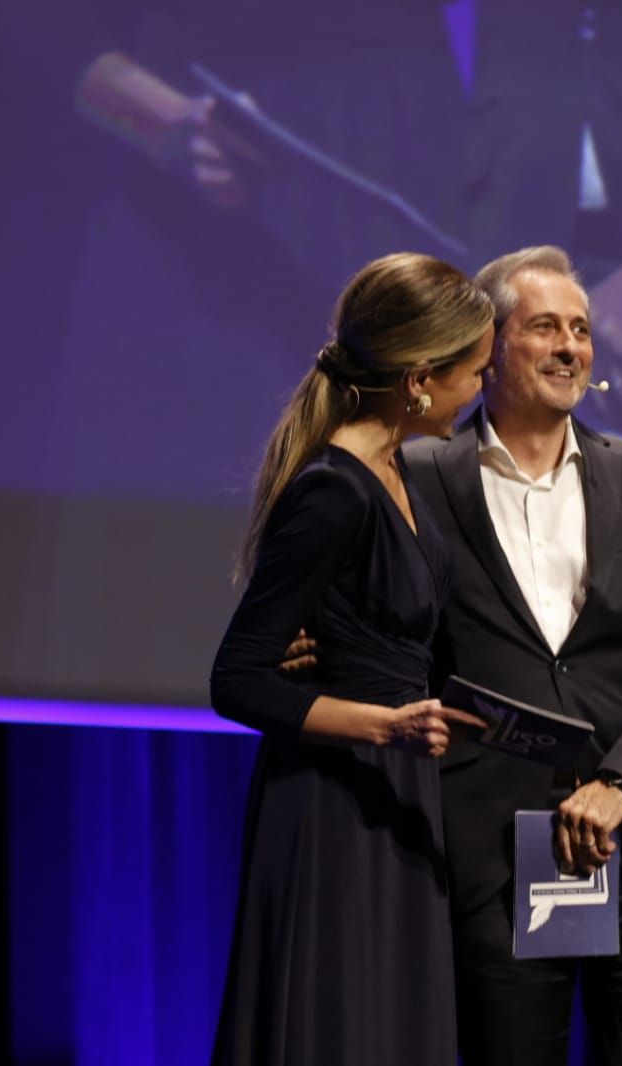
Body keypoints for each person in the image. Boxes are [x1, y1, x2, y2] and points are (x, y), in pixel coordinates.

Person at [404, 246, 622, 1065]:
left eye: (581, 330)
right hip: (490, 861)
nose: (570, 347)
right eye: (545, 327)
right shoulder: (418, 477)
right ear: (489, 346)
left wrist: (621, 786)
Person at [208, 252, 495, 1066]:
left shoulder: (396, 469)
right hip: (334, 804)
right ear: (417, 378)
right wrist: (384, 727)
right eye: (471, 372)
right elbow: (237, 679)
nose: (478, 390)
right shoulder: (333, 489)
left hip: (393, 793)